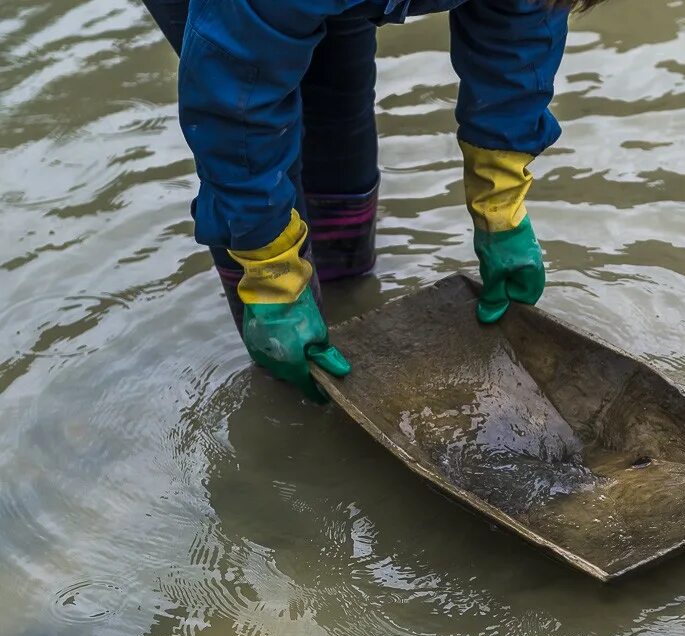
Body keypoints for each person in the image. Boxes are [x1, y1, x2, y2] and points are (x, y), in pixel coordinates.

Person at [141, 0, 607, 401]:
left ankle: (345, 296)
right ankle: (289, 381)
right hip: (235, 19)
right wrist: (270, 277)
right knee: (256, 156)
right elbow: (233, 110)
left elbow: (520, 31)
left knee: (337, 114)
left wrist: (501, 206)